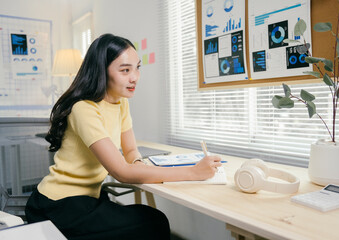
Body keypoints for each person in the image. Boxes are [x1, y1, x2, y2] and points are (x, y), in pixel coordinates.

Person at [25, 33, 222, 240]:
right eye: (125, 70)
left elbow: (129, 150)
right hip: (59, 204)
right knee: (154, 222)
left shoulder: (120, 103)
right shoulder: (84, 109)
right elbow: (122, 172)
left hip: (89, 197)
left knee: (149, 220)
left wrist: (137, 162)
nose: (134, 77)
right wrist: (193, 172)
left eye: (137, 68)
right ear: (102, 71)